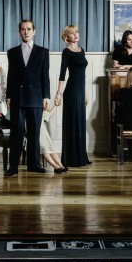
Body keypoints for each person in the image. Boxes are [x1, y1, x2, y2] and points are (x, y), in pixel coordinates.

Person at [5, 19, 50, 177]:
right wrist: (9, 95)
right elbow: (11, 76)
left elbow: (45, 75)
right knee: (16, 133)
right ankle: (13, 167)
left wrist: (46, 96)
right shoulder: (12, 52)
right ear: (19, 32)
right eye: (23, 29)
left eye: (29, 29)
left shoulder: (43, 52)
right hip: (17, 97)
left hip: (36, 97)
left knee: (34, 133)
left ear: (34, 31)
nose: (26, 32)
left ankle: (34, 164)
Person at [54, 24, 90, 167]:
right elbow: (62, 74)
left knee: (80, 123)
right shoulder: (66, 52)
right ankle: (71, 158)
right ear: (66, 37)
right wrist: (58, 94)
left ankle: (80, 156)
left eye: (76, 32)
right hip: (72, 91)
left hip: (80, 92)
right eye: (71, 33)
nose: (75, 34)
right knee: (73, 122)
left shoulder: (82, 50)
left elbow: (83, 75)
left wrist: (85, 94)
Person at [40, 106, 67, 173]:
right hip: (36, 133)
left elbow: (48, 115)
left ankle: (60, 165)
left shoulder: (40, 111)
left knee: (51, 148)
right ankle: (55, 166)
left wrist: (55, 106)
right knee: (44, 149)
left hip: (44, 133)